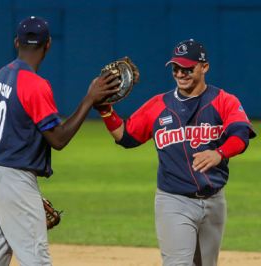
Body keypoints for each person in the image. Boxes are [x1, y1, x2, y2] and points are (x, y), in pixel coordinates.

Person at [96, 39, 256, 266]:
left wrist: (219, 153)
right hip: (174, 201)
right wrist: (105, 111)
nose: (181, 73)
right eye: (176, 68)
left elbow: (240, 136)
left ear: (205, 67)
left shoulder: (224, 101)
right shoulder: (158, 104)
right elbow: (126, 136)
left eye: (188, 68)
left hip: (214, 201)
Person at [0, 16, 120, 265]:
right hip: (13, 179)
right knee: (37, 259)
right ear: (48, 44)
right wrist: (89, 100)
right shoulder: (34, 84)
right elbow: (58, 139)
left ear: (16, 42)